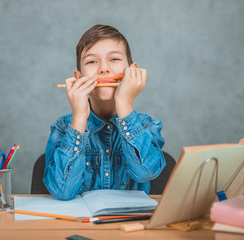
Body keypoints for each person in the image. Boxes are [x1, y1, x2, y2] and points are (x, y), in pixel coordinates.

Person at [43, 24, 165, 200]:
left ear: (132, 71)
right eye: (92, 62)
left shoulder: (148, 125)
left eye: (114, 59)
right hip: (80, 226)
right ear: (78, 78)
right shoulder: (63, 128)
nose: (103, 69)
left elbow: (145, 172)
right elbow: (62, 191)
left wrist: (124, 102)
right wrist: (78, 118)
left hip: (131, 225)